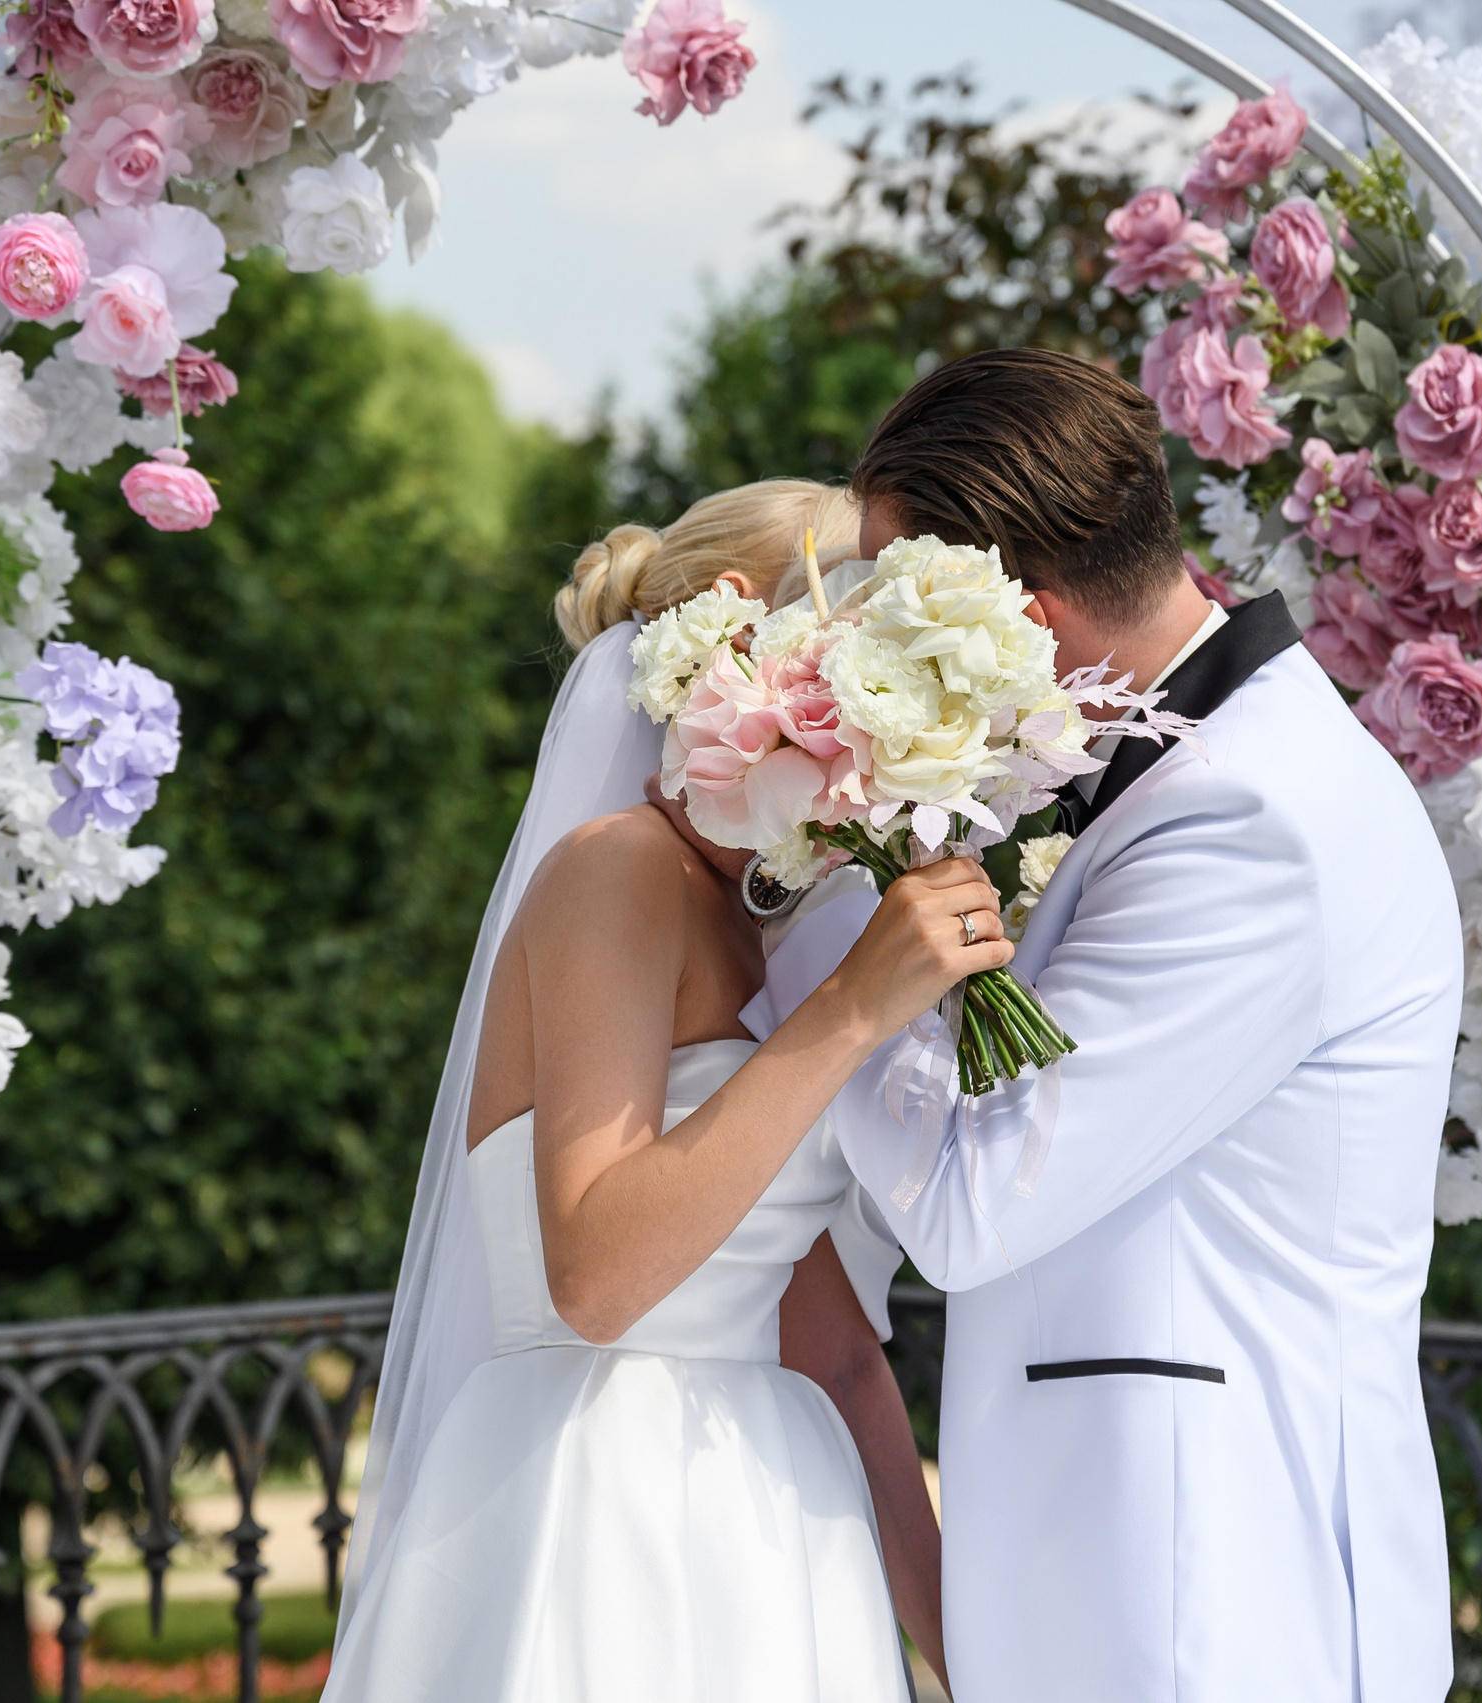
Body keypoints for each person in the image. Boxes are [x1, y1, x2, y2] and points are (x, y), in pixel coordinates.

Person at [817, 350, 1461, 1702]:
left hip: (1204, 1583)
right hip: (1139, 1563)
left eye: (892, 611)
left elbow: (973, 1200)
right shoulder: (1204, 769)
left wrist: (824, 940)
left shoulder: (1248, 816)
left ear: (1022, 615)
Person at [328, 480, 979, 1702]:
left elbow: (833, 1348)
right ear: (738, 623)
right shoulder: (615, 870)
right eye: (867, 623)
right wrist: (851, 1011)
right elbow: (595, 1279)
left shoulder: (763, 927)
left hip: (768, 1515)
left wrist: (965, 1650)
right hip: (603, 1498)